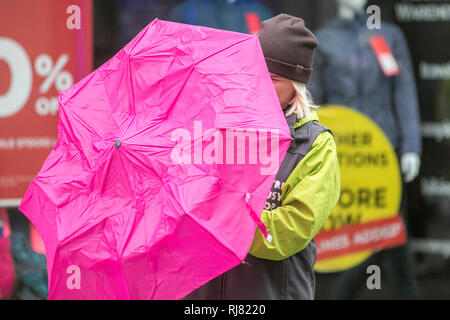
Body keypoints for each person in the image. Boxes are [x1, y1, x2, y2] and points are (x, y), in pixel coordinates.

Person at [184, 13, 341, 300]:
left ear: (296, 85)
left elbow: (292, 230)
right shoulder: (217, 125)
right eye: (255, 73)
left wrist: (223, 219)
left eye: (274, 79)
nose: (261, 85)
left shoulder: (315, 144)